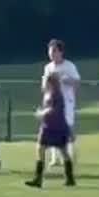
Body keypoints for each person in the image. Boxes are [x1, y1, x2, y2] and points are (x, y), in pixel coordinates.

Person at [25, 75, 76, 189]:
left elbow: (55, 110)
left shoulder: (56, 94)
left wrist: (42, 113)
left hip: (55, 127)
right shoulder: (48, 94)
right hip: (49, 126)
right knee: (42, 148)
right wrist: (42, 112)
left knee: (61, 151)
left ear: (50, 82)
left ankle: (69, 178)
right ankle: (39, 178)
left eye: (45, 81)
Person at [42, 39, 80, 167]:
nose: (51, 53)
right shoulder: (48, 67)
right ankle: (55, 158)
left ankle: (71, 155)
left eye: (54, 51)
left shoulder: (69, 66)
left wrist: (63, 80)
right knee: (53, 127)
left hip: (66, 102)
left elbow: (76, 82)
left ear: (61, 52)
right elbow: (45, 85)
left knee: (67, 128)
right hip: (52, 102)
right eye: (50, 51)